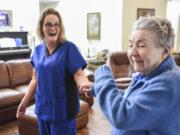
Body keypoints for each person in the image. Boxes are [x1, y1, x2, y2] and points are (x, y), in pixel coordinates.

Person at [89, 17, 180, 135]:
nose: (132, 53)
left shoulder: (169, 82)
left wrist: (103, 76)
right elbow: (132, 99)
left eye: (141, 46)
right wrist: (96, 89)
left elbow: (122, 116)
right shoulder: (149, 73)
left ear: (164, 51)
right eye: (131, 45)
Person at [16, 8, 91, 135]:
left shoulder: (69, 48)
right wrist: (24, 102)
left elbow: (79, 74)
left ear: (60, 28)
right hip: (43, 108)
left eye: (56, 24)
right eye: (48, 25)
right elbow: (35, 79)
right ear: (41, 28)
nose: (53, 28)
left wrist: (85, 84)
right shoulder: (38, 50)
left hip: (63, 110)